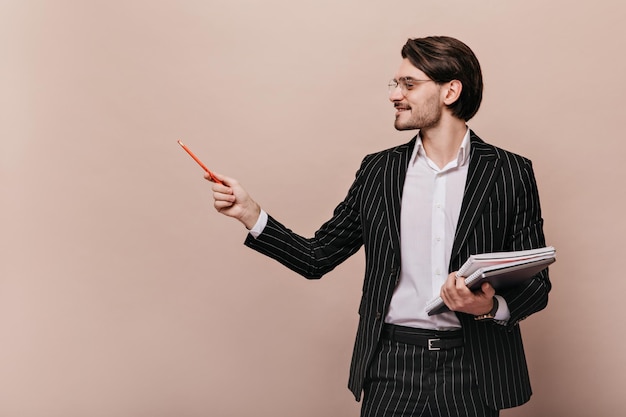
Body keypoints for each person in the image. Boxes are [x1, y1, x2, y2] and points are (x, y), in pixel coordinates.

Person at [208, 36, 551, 417]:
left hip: (474, 369)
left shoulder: (510, 172)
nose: (394, 95)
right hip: (391, 366)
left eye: (408, 84)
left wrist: (489, 306)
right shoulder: (379, 171)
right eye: (395, 84)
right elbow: (316, 257)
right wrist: (250, 214)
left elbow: (536, 284)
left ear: (451, 90)